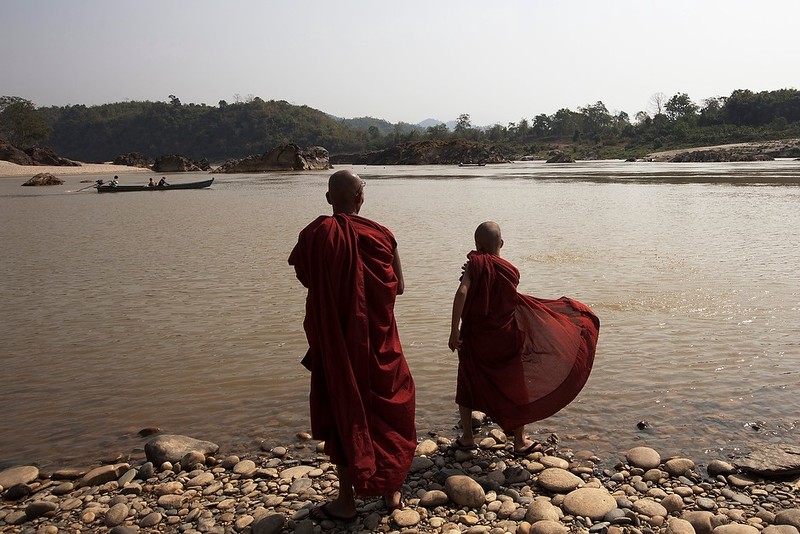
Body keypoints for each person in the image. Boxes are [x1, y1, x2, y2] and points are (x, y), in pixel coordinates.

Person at [288, 169, 416, 522]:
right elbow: (400, 287)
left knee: (344, 410)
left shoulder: (316, 236)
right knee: (392, 407)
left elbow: (307, 278)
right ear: (362, 198)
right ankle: (391, 490)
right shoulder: (383, 235)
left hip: (338, 344)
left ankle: (346, 501)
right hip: (380, 343)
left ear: (329, 199)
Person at [449, 221, 600, 456]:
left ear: (477, 245)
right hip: (506, 336)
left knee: (467, 380)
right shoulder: (509, 269)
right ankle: (519, 441)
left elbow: (462, 292)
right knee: (514, 384)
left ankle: (468, 437)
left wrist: (453, 330)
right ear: (501, 243)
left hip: (476, 335)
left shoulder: (474, 264)